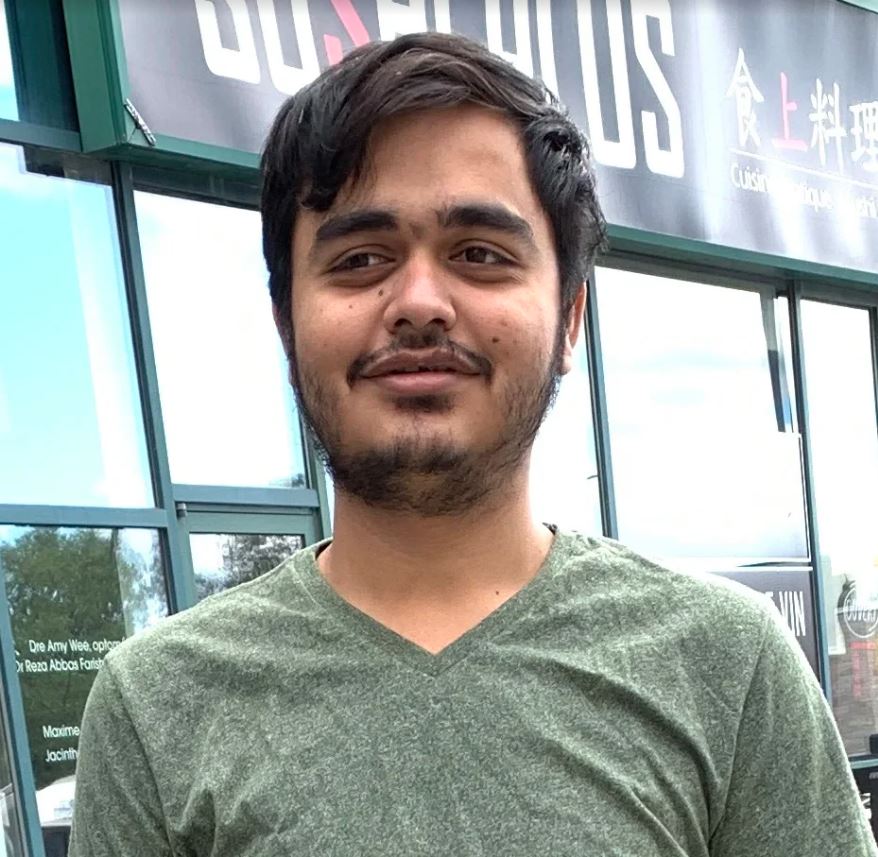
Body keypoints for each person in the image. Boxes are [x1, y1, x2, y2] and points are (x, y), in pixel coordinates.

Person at [69, 32, 876, 857]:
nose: (419, 301)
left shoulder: (727, 666)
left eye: (480, 255)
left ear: (569, 318)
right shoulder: (157, 706)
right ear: (286, 322)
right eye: (361, 258)